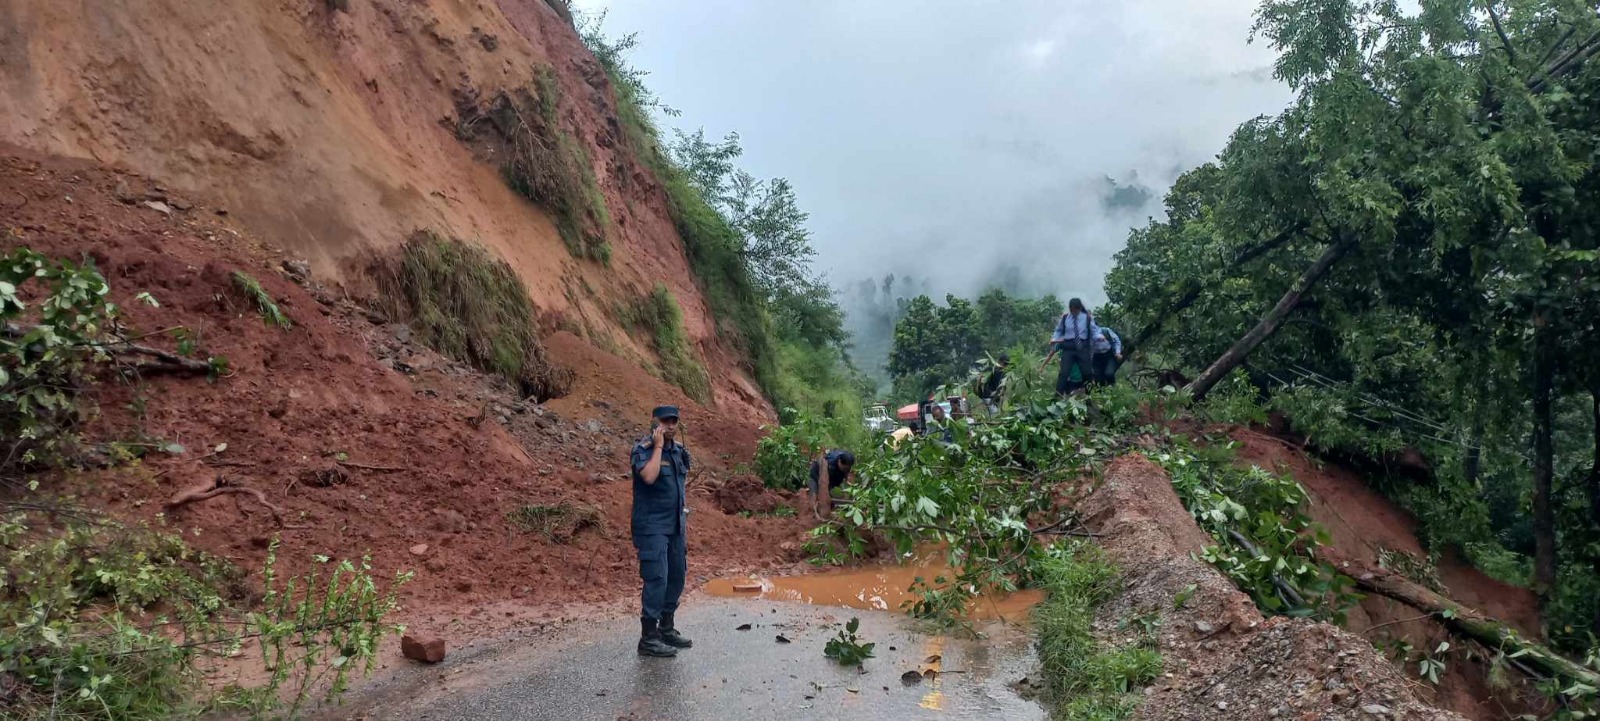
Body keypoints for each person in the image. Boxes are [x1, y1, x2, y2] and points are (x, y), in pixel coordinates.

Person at [630, 405, 693, 657]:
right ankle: (648, 638)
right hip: (652, 525)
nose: (670, 425)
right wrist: (657, 446)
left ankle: (667, 628)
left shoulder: (679, 452)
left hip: (675, 525)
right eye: (665, 421)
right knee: (657, 579)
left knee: (677, 576)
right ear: (654, 422)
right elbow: (648, 477)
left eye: (674, 421)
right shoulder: (644, 450)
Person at [1041, 298, 1099, 396]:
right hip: (1068, 347)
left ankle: (1089, 396)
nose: (1073, 312)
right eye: (1071, 310)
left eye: (1075, 310)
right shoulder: (1065, 318)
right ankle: (1057, 397)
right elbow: (1058, 330)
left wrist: (1099, 337)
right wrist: (1055, 338)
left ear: (1079, 308)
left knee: (1087, 373)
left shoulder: (1087, 318)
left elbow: (1095, 330)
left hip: (1082, 347)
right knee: (1064, 373)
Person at [808, 449, 856, 519]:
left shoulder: (846, 460)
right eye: (844, 468)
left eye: (847, 469)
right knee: (816, 494)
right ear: (839, 462)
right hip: (817, 474)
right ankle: (814, 513)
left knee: (831, 496)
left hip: (833, 477)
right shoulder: (830, 464)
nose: (846, 470)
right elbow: (823, 483)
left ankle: (830, 508)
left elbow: (845, 473)